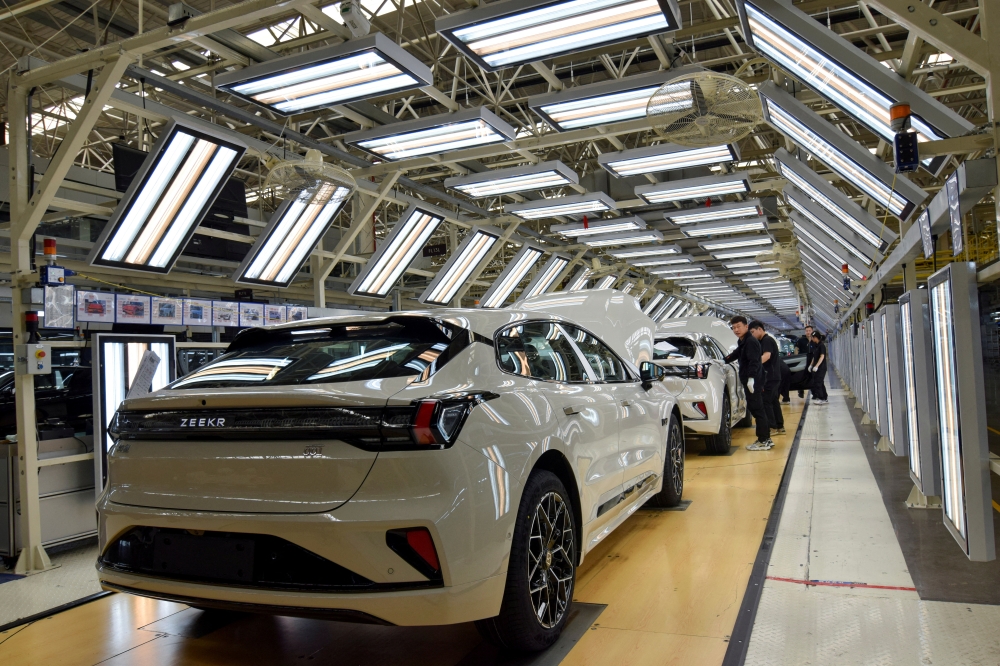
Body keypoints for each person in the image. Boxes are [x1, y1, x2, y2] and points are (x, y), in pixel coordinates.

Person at [724, 316, 772, 450]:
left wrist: (751, 378)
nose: (736, 330)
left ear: (746, 327)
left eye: (739, 326)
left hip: (754, 380)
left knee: (757, 409)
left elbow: (754, 361)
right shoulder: (743, 341)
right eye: (733, 327)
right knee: (758, 408)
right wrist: (723, 360)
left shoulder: (750, 342)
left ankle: (763, 440)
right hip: (753, 379)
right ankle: (766, 438)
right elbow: (737, 353)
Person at [750, 321, 785, 435]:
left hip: (770, 376)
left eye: (753, 332)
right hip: (774, 376)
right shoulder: (765, 340)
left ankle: (772, 427)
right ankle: (780, 426)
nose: (752, 335)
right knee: (774, 401)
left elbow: (767, 356)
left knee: (766, 401)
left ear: (760, 329)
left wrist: (754, 364)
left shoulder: (766, 340)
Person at [808, 332, 829, 404]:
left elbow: (822, 356)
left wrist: (817, 366)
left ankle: (821, 398)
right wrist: (811, 365)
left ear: (816, 337)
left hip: (821, 368)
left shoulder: (821, 346)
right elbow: (814, 357)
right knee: (820, 383)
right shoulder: (815, 346)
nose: (812, 338)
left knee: (818, 383)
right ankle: (825, 397)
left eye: (812, 337)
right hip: (816, 367)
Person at [795, 325, 813, 398]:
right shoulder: (801, 340)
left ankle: (814, 392)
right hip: (803, 360)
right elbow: (796, 349)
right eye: (807, 331)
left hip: (812, 360)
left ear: (812, 331)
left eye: (809, 331)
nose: (808, 332)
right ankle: (800, 391)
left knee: (812, 376)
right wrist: (796, 358)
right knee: (801, 376)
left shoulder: (814, 340)